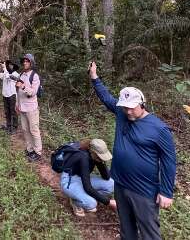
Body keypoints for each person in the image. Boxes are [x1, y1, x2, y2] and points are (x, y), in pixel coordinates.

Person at [88, 61, 176, 240]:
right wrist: (94, 77)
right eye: (125, 107)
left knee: (149, 232)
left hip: (143, 190)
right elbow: (106, 97)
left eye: (131, 107)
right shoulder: (122, 114)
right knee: (126, 228)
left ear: (142, 104)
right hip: (120, 184)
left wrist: (166, 191)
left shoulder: (158, 128)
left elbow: (169, 160)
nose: (128, 111)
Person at [60, 138, 117, 217]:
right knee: (91, 204)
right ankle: (75, 202)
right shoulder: (83, 157)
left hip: (81, 178)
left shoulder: (94, 156)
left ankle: (83, 196)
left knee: (111, 184)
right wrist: (109, 202)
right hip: (69, 181)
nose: (101, 158)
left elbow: (106, 177)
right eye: (99, 156)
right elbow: (88, 187)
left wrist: (101, 162)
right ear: (92, 151)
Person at [15, 53, 42, 162]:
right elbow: (18, 92)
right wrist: (17, 104)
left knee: (34, 130)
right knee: (25, 130)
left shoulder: (34, 76)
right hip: (22, 107)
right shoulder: (21, 74)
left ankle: (38, 152)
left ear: (31, 63)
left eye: (27, 61)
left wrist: (23, 86)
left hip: (31, 108)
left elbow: (33, 92)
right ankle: (30, 149)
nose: (25, 63)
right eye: (24, 61)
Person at [0, 60, 20, 134]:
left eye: (11, 65)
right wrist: (0, 66)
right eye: (9, 64)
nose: (9, 66)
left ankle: (15, 127)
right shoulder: (6, 72)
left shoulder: (16, 74)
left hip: (12, 95)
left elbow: (8, 77)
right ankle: (9, 125)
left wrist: (5, 68)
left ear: (14, 66)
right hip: (5, 94)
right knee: (7, 111)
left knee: (13, 111)